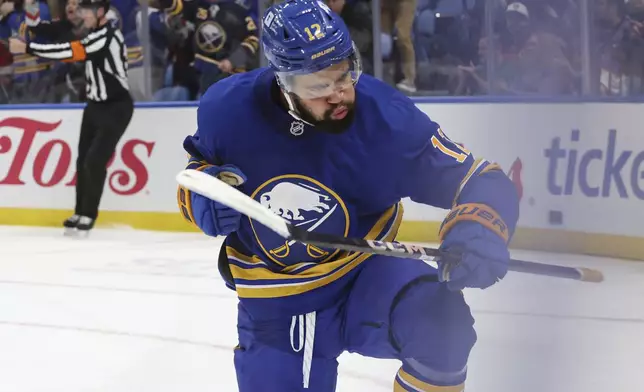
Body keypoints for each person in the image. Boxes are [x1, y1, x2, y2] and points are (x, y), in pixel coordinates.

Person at [176, 0, 519, 390]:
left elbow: (481, 179)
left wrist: (480, 225)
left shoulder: (385, 119)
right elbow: (197, 172)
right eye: (319, 86)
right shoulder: (228, 109)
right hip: (278, 300)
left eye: (344, 75)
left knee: (441, 325)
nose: (339, 94)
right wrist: (204, 198)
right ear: (283, 79)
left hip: (366, 273)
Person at [10, 0, 133, 235]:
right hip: (94, 106)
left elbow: (71, 51)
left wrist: (28, 48)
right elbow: (58, 34)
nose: (83, 15)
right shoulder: (94, 33)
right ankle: (80, 211)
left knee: (94, 160)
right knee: (82, 160)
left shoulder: (107, 35)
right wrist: (33, 21)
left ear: (100, 12)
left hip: (116, 107)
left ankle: (88, 214)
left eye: (87, 11)